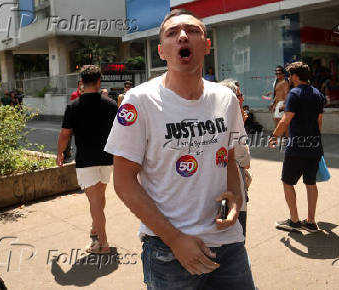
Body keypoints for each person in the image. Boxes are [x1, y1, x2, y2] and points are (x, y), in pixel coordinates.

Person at [105, 9, 254, 289]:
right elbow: (123, 181)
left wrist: (234, 197)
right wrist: (174, 239)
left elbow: (230, 158)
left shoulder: (226, 99)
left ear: (207, 45)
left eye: (192, 31)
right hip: (168, 251)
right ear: (162, 51)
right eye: (173, 33)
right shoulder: (139, 102)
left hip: (229, 242)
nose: (183, 36)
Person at [57, 65, 118, 254]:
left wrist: (60, 153)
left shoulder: (73, 107)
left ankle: (103, 243)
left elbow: (65, 134)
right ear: (99, 81)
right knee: (99, 198)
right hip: (107, 157)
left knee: (94, 201)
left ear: (81, 83)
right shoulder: (111, 105)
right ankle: (95, 227)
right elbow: (121, 130)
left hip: (86, 160)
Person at [269, 61, 325, 233]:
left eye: (290, 75)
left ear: (295, 76)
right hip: (314, 145)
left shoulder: (294, 93)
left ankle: (294, 221)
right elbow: (319, 121)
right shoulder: (318, 94)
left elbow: (286, 119)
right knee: (310, 183)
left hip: (297, 146)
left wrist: (274, 136)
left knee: (287, 182)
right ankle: (311, 222)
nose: (289, 79)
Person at [219, 79, 251, 239]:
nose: (242, 99)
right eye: (238, 95)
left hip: (229, 188)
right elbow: (244, 160)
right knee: (235, 238)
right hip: (232, 193)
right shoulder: (230, 121)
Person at [270, 66, 290, 132]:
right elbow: (277, 94)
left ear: (283, 74)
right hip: (278, 104)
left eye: (280, 73)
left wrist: (284, 105)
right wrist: (273, 103)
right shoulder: (277, 82)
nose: (278, 75)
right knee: (278, 122)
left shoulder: (284, 82)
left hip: (282, 103)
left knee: (280, 123)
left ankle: (284, 139)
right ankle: (283, 139)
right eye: (276, 73)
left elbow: (287, 93)